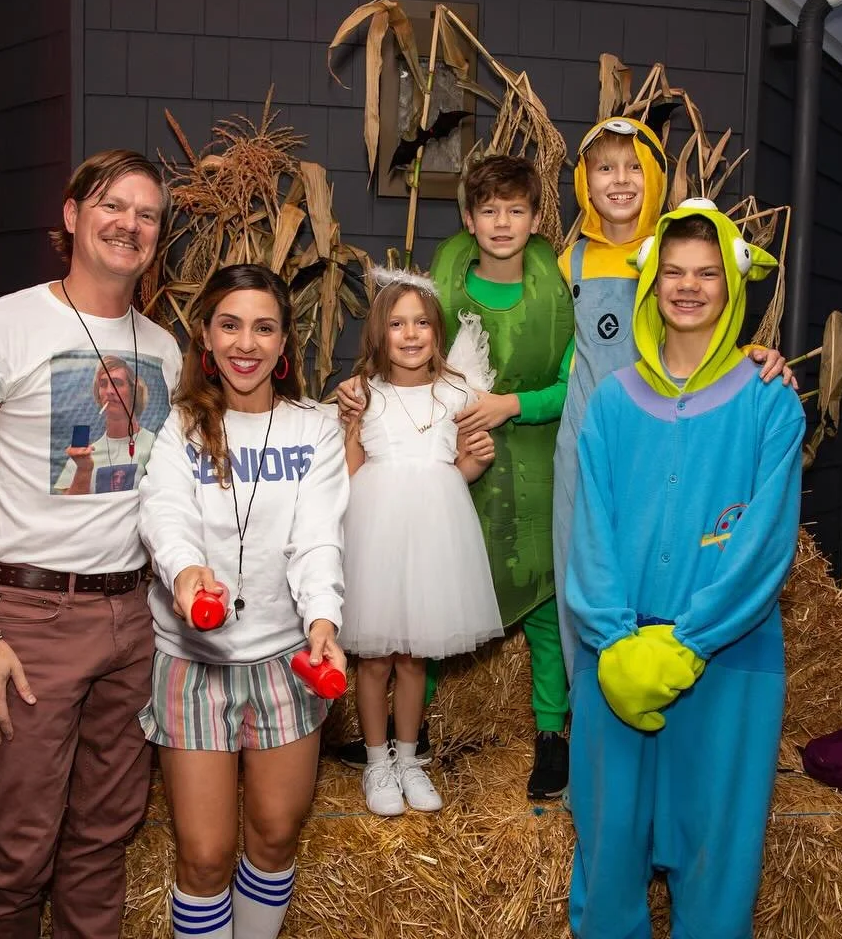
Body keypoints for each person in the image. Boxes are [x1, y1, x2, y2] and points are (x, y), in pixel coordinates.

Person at [0, 149, 181, 937]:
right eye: (111, 205)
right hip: (28, 618)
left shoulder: (164, 350)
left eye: (146, 213)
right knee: (21, 848)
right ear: (72, 216)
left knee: (104, 839)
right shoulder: (0, 327)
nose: (128, 224)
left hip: (132, 621)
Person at [565, 200, 804, 939]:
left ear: (731, 289)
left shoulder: (770, 401)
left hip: (730, 659)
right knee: (606, 860)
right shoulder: (610, 404)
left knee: (717, 862)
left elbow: (765, 539)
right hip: (619, 656)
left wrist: (692, 639)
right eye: (673, 272)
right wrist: (614, 638)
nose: (689, 286)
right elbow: (590, 531)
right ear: (651, 287)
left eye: (706, 273)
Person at [336, 155, 575, 798]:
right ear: (469, 220)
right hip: (393, 517)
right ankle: (390, 749)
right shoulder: (441, 292)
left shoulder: (559, 289)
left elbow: (573, 381)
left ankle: (547, 734)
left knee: (533, 595)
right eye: (489, 211)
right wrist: (350, 415)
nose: (502, 223)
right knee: (400, 629)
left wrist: (498, 421)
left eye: (516, 210)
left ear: (534, 220)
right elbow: (353, 456)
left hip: (535, 461)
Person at [137, 263, 349, 939]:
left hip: (286, 660)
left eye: (264, 327)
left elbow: (317, 537)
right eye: (230, 324)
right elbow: (166, 514)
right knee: (203, 856)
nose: (246, 343)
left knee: (276, 835)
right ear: (205, 333)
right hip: (193, 661)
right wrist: (187, 572)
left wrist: (322, 619)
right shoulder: (180, 428)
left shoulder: (312, 430)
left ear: (286, 344)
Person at [553, 118, 794, 685]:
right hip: (589, 426)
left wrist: (753, 355)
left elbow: (704, 332)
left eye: (635, 166)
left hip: (660, 433)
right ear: (584, 182)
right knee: (579, 564)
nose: (620, 180)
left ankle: (675, 667)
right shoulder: (568, 263)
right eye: (605, 167)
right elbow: (561, 356)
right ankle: (588, 697)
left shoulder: (674, 247)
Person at [337, 270, 503, 817]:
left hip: (436, 531)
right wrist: (348, 427)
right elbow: (351, 469)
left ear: (437, 330)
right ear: (379, 335)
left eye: (422, 323)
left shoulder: (457, 392)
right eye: (396, 324)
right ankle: (377, 759)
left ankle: (410, 759)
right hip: (377, 530)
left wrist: (474, 463)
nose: (410, 334)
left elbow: (459, 467)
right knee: (375, 658)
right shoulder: (367, 394)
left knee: (413, 658)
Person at [54, 355, 157, 494]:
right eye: (103, 384)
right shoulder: (83, 456)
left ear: (134, 392)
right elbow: (68, 510)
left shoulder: (156, 444)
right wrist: (83, 470)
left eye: (117, 383)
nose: (109, 391)